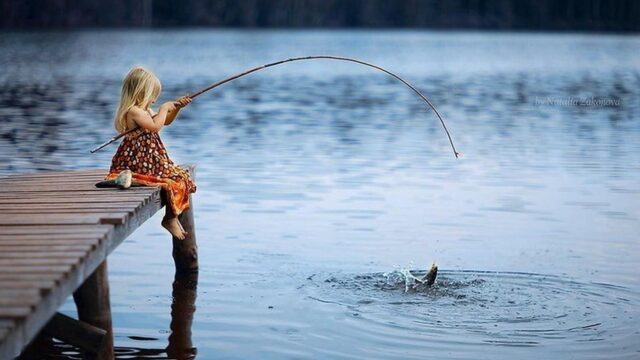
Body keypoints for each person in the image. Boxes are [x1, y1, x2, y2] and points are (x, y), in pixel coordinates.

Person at [105, 66, 196, 240]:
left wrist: (175, 108)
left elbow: (165, 122)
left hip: (151, 158)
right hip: (139, 160)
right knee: (173, 180)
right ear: (140, 92)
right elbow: (155, 126)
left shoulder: (145, 110)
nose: (154, 100)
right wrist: (163, 108)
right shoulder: (134, 111)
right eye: (152, 95)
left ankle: (172, 217)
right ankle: (170, 219)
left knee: (182, 177)